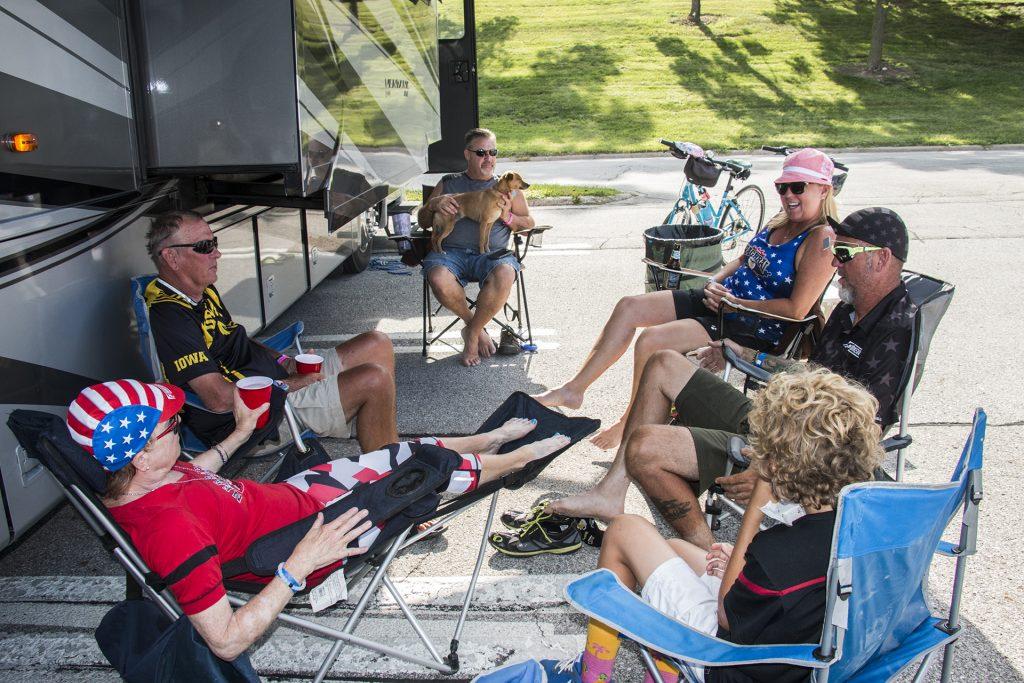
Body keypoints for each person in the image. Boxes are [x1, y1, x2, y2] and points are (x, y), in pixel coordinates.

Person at [496, 207, 913, 554]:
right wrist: (746, 352)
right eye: (835, 250)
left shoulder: (897, 327)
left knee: (645, 447)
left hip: (798, 447)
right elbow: (807, 376)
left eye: (844, 252)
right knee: (662, 362)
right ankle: (610, 491)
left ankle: (708, 553)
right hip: (778, 418)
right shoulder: (848, 310)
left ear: (881, 258)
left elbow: (861, 436)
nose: (835, 262)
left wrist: (774, 466)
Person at [66, 379, 570, 662]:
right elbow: (225, 640)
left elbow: (195, 476)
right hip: (313, 534)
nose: (180, 426)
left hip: (298, 495)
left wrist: (242, 432)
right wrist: (299, 566)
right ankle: (515, 460)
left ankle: (485, 442)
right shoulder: (168, 531)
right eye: (170, 424)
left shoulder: (143, 480)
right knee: (429, 475)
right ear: (141, 452)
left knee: (399, 452)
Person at [539, 368, 883, 683]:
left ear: (780, 464)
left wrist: (755, 513)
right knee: (672, 550)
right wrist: (741, 559)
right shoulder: (856, 524)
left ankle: (592, 672)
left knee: (625, 529)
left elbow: (726, 615)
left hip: (732, 662)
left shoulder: (778, 550)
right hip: (800, 647)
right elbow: (788, 585)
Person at [535, 148, 838, 450]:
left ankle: (632, 420)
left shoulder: (821, 239)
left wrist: (736, 304)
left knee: (652, 341)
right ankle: (575, 390)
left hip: (751, 324)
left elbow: (797, 310)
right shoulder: (781, 220)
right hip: (723, 301)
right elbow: (744, 259)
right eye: (782, 187)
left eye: (798, 187)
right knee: (630, 306)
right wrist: (714, 282)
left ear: (824, 189)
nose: (788, 194)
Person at [143, 209, 397, 452]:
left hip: (275, 383)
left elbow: (238, 341)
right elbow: (218, 399)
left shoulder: (202, 291)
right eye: (204, 247)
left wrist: (286, 362)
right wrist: (290, 384)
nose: (217, 253)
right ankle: (391, 477)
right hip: (256, 416)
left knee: (377, 342)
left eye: (214, 242)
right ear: (171, 257)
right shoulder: (171, 318)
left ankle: (384, 439)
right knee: (373, 379)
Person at [416, 127, 536, 367]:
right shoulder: (449, 183)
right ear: (467, 155)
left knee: (505, 273)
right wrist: (433, 206)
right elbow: (422, 222)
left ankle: (470, 333)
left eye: (493, 152)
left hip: (493, 256)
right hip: (450, 256)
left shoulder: (509, 189)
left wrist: (507, 217)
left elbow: (529, 224)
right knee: (438, 277)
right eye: (481, 152)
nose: (488, 158)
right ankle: (475, 328)